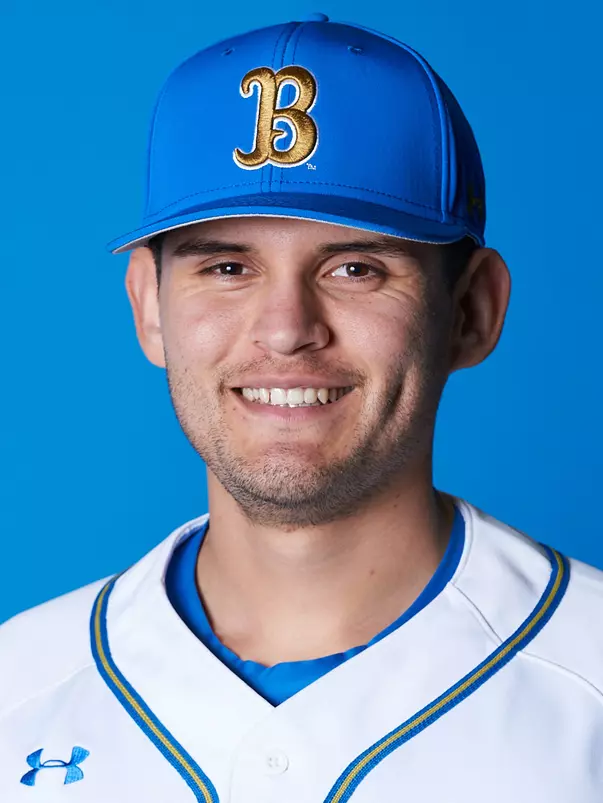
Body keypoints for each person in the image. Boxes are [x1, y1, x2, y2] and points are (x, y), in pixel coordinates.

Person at [1, 13, 602, 802]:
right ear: (148, 307)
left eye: (355, 267)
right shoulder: (18, 691)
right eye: (226, 267)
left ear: (471, 311)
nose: (286, 330)